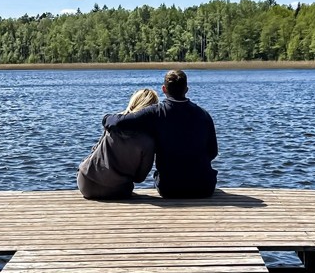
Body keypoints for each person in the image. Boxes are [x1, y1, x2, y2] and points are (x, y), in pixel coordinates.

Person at [103, 69, 218, 198]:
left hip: (170, 188)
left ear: (164, 89)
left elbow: (119, 123)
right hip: (204, 187)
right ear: (186, 89)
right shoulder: (204, 115)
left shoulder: (156, 113)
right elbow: (213, 152)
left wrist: (106, 118)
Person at [77, 88, 158, 199]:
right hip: (117, 190)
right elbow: (140, 178)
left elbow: (95, 149)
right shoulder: (148, 139)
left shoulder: (113, 124)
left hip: (86, 183)